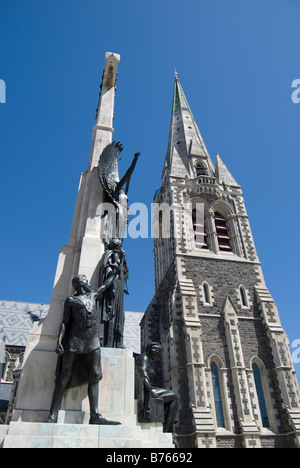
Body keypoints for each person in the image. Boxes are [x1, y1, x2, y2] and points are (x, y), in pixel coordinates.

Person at [48, 273, 121, 425]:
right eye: (86, 281)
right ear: (80, 284)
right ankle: (52, 414)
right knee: (64, 375)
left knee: (95, 375)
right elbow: (64, 323)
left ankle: (94, 415)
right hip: (75, 339)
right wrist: (59, 342)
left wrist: (115, 271)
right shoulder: (71, 300)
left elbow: (105, 285)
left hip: (92, 339)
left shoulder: (93, 296)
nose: (89, 283)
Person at [135, 342, 179, 433]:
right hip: (146, 390)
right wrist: (150, 389)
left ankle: (168, 427)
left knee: (173, 397)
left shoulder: (148, 360)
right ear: (153, 351)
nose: (159, 356)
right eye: (158, 353)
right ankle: (166, 429)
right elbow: (143, 373)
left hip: (148, 389)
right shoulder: (144, 358)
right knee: (174, 397)